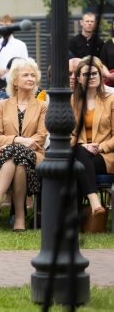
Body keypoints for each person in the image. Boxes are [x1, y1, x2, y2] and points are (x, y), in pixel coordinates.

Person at [0, 58, 48, 231]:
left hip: (35, 157)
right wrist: (18, 140)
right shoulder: (3, 104)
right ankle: (20, 218)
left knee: (17, 156)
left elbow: (40, 137)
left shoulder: (42, 106)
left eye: (33, 75)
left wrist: (12, 143)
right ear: (15, 80)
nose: (31, 78)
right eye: (26, 75)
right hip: (5, 159)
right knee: (18, 164)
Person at [68, 59, 110, 218]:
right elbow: (67, 134)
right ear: (78, 78)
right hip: (81, 151)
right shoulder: (71, 101)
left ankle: (71, 218)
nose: (92, 76)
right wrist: (83, 146)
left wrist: (100, 147)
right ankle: (93, 202)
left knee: (75, 167)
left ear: (100, 76)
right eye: (86, 74)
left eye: (95, 73)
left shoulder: (111, 100)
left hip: (106, 155)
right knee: (78, 157)